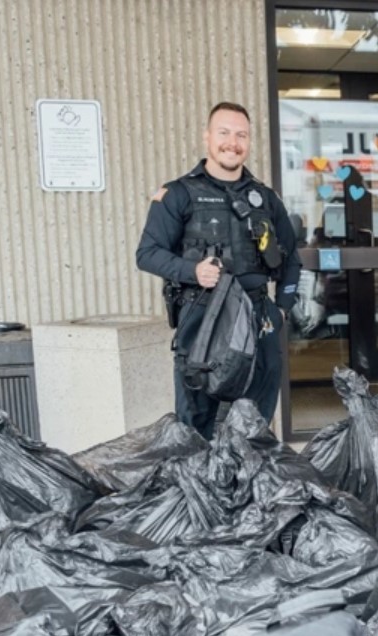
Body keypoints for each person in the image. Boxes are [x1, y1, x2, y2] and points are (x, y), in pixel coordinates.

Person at [136, 102, 302, 439]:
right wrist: (191, 270)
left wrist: (281, 310)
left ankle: (249, 486)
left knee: (255, 423)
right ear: (207, 137)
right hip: (203, 315)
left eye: (241, 135)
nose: (233, 142)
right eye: (224, 132)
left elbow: (292, 259)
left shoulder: (265, 198)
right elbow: (147, 254)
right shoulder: (177, 194)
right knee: (196, 425)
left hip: (259, 316)